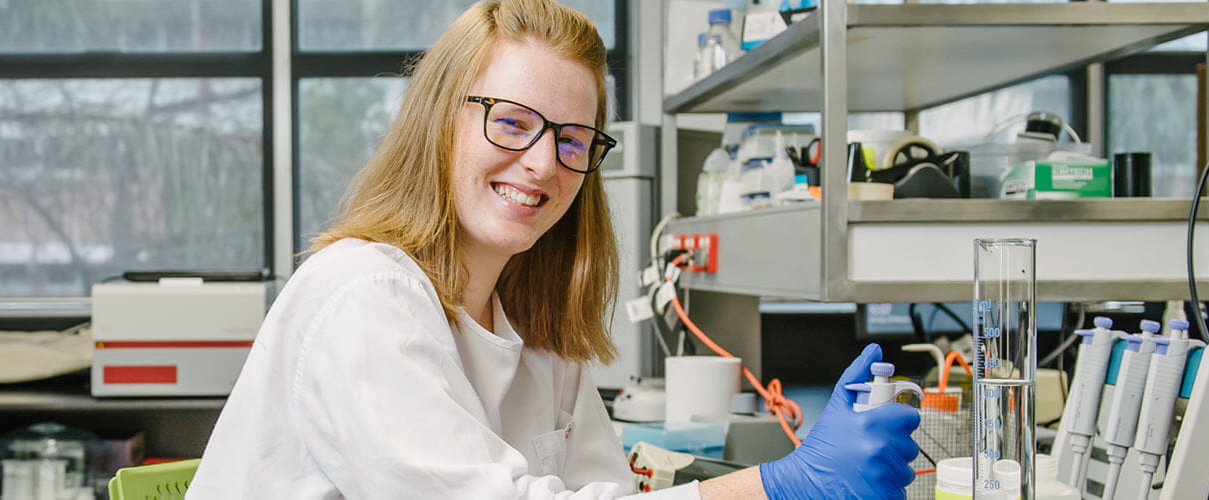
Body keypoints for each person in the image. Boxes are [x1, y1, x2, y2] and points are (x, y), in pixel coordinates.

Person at [188, 0, 919, 498]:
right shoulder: (362, 294)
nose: (543, 163)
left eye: (573, 139)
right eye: (511, 123)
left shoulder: (537, 330)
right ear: (439, 122)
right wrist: (780, 485)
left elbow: (599, 490)